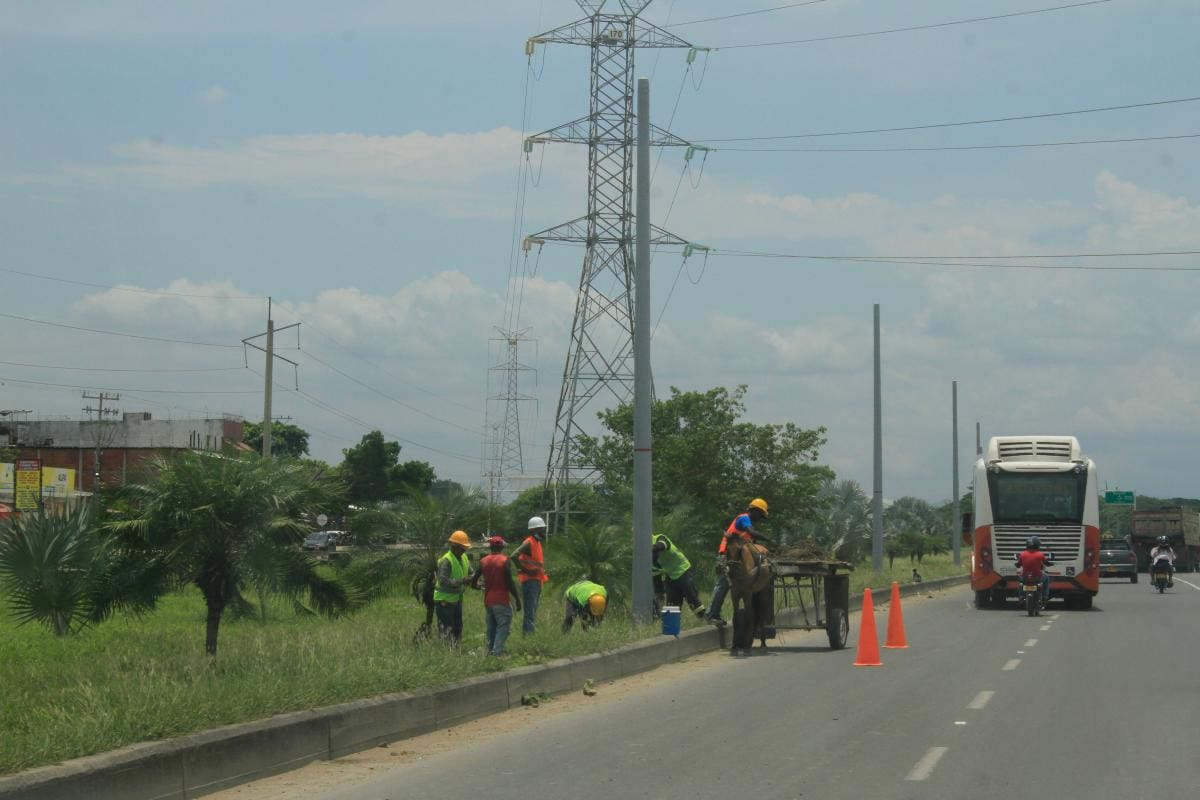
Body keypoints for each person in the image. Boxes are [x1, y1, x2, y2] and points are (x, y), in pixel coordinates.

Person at [705, 498, 770, 625]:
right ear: (755, 511)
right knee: (723, 582)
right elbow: (751, 532)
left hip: (736, 555)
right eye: (761, 515)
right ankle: (712, 614)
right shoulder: (744, 518)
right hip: (727, 553)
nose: (760, 518)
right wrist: (767, 538)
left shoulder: (747, 521)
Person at [470, 535, 522, 657]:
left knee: (491, 628)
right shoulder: (504, 561)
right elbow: (510, 582)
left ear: (490, 547)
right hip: (502, 600)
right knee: (503, 626)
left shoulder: (483, 561)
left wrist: (477, 586)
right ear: (502, 547)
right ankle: (496, 653)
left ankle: (489, 651)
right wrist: (518, 600)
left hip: (488, 600)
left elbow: (474, 581)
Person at [433, 530, 474, 645]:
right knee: (447, 629)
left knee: (457, 627)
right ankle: (447, 653)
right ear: (454, 546)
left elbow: (471, 572)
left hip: (457, 600)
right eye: (462, 548)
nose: (464, 550)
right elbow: (443, 581)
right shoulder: (446, 560)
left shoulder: (464, 557)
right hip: (444, 601)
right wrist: (462, 581)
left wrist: (474, 579)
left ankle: (456, 650)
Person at [652, 533, 705, 618]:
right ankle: (671, 626)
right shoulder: (643, 554)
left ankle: (703, 617)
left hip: (683, 569)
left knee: (691, 596)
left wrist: (652, 549)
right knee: (672, 606)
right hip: (670, 575)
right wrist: (659, 591)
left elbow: (662, 544)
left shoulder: (659, 538)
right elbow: (655, 572)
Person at [512, 516, 550, 635]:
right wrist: (525, 570)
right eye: (541, 529)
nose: (544, 531)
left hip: (536, 581)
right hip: (530, 582)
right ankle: (528, 636)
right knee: (530, 612)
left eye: (543, 529)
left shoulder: (537, 543)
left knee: (532, 610)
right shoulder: (529, 542)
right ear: (533, 530)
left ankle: (529, 634)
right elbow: (513, 555)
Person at [1014, 535, 1053, 605]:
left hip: (1025, 576)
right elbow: (1046, 563)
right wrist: (1051, 564)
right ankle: (1044, 596)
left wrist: (1017, 564)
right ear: (1038, 545)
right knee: (1047, 578)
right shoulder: (1040, 555)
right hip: (1037, 577)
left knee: (1020, 583)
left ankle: (1021, 596)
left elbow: (1018, 564)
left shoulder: (1022, 554)